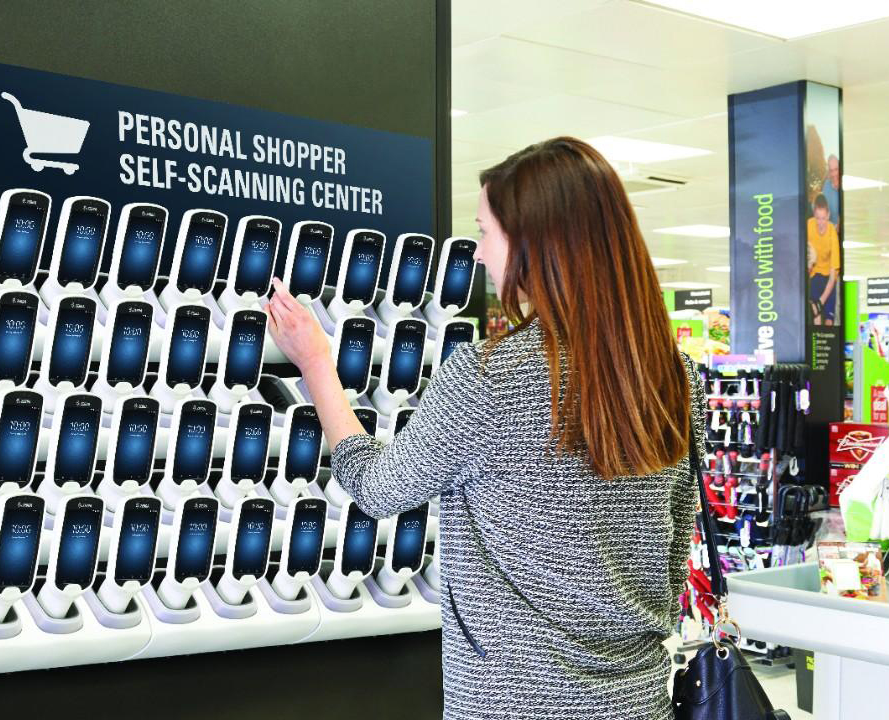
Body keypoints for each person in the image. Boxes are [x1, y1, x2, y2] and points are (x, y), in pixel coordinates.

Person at [265, 136, 705, 720]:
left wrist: (317, 364)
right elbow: (676, 545)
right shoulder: (674, 376)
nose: (476, 255)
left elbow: (377, 488)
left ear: (534, 243)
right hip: (639, 700)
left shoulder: (489, 379)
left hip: (512, 705)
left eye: (484, 233)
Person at [808, 193, 840, 325]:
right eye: (818, 218)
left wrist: (821, 302)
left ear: (828, 215)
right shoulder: (809, 225)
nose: (820, 223)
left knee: (828, 318)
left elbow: (833, 276)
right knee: (816, 313)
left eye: (823, 218)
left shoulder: (832, 232)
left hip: (829, 278)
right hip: (814, 275)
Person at [823, 154, 841, 230]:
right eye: (831, 170)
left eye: (836, 169)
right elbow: (824, 210)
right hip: (830, 231)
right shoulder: (826, 185)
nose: (834, 174)